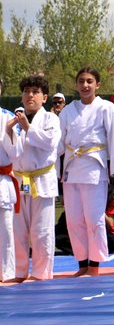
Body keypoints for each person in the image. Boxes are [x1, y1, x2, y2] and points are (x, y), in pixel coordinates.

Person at [58, 67, 114, 276]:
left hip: (94, 168)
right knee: (73, 220)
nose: (85, 85)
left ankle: (95, 264)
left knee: (94, 219)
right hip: (71, 169)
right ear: (76, 85)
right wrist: (49, 171)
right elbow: (58, 144)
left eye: (89, 81)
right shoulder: (68, 110)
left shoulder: (107, 108)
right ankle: (81, 263)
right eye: (81, 81)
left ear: (97, 84)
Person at [2, 75, 60, 281]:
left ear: (44, 98)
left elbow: (50, 143)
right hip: (19, 180)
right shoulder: (14, 118)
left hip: (41, 181)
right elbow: (10, 150)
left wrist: (28, 127)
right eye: (26, 91)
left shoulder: (51, 118)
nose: (30, 95)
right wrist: (9, 131)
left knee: (41, 231)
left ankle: (41, 273)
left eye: (35, 92)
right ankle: (18, 271)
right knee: (17, 231)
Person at [0, 102, 15, 282]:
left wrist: (10, 131)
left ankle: (7, 273)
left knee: (5, 230)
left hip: (2, 179)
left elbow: (16, 152)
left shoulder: (7, 117)